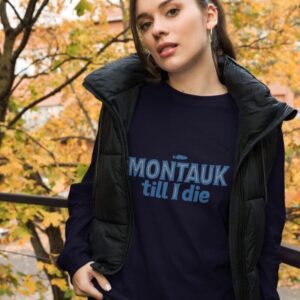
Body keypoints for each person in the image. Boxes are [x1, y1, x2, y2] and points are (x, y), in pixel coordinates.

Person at [56, 0, 298, 299]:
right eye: (145, 24)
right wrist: (76, 258)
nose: (157, 29)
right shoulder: (125, 105)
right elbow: (91, 192)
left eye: (172, 11)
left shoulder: (258, 123)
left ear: (209, 15)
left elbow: (265, 240)